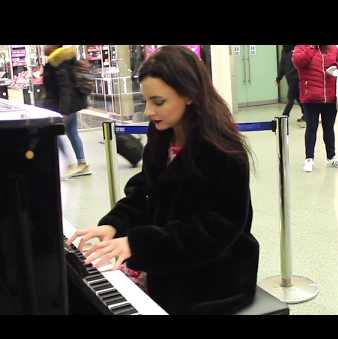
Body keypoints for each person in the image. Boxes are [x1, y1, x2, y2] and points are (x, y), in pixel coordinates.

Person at [67, 45, 259, 315]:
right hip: (166, 263)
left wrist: (138, 244)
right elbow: (145, 190)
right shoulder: (162, 133)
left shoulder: (223, 151)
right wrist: (114, 224)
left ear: (190, 95)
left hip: (213, 276)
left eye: (158, 102)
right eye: (146, 101)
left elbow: (217, 229)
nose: (148, 111)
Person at [292, 45, 338, 172]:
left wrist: (337, 68)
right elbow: (298, 62)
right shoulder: (302, 47)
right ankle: (309, 159)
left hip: (330, 97)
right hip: (311, 96)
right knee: (311, 128)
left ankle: (331, 157)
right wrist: (312, 48)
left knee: (329, 128)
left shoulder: (333, 48)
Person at [42, 45, 91, 179]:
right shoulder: (59, 60)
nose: (43, 47)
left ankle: (75, 164)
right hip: (63, 106)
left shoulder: (58, 62)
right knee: (71, 133)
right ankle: (80, 163)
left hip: (62, 107)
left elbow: (65, 88)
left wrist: (64, 112)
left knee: (55, 134)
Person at [276, 45, 305, 127]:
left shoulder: (297, 48)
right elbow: (282, 64)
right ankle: (306, 115)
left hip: (296, 77)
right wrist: (279, 77)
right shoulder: (284, 50)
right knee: (298, 97)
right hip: (289, 77)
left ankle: (284, 116)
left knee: (290, 97)